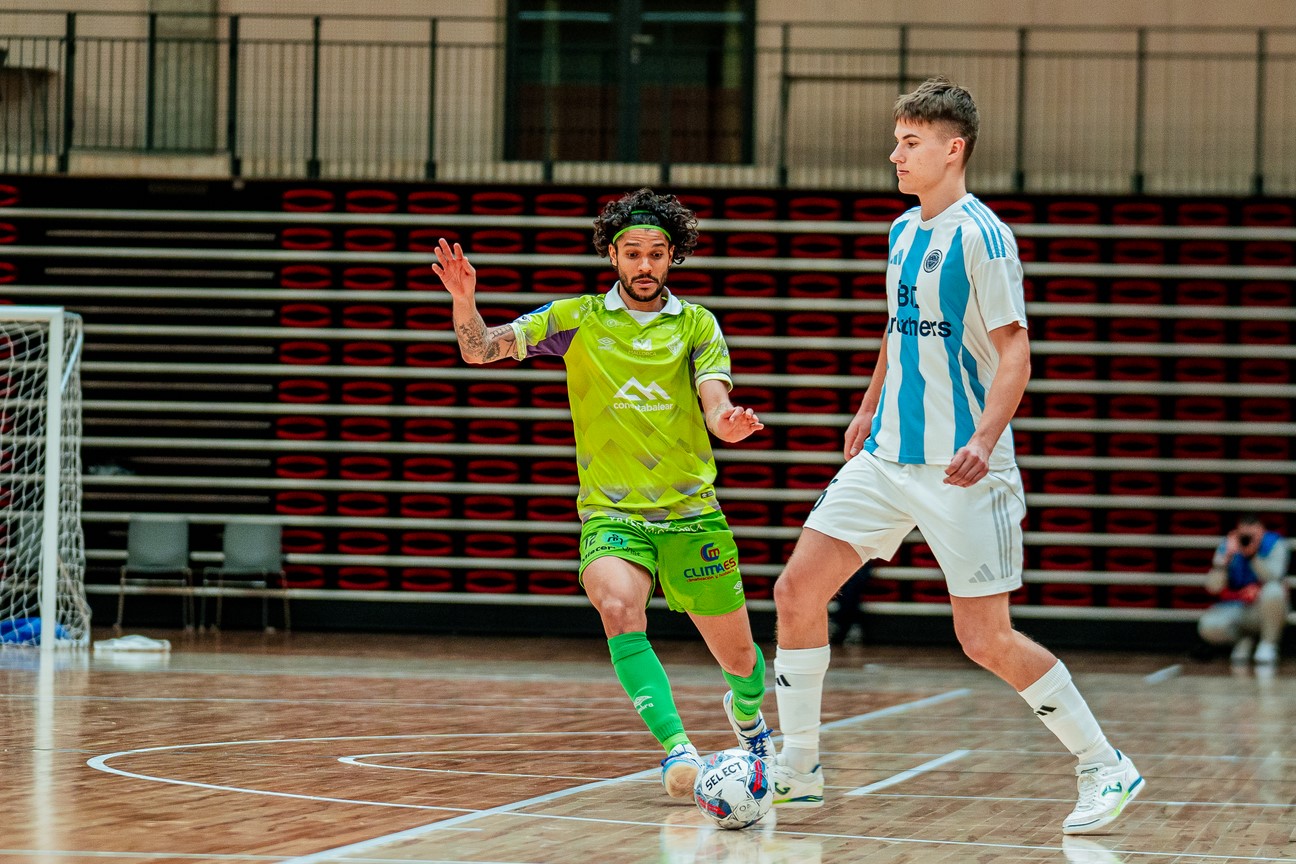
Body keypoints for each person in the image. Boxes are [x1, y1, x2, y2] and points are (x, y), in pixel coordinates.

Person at [768, 77, 1144, 834]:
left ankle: (1105, 765)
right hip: (886, 457)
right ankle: (798, 770)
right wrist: (868, 406)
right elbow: (896, 328)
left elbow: (1016, 353)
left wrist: (983, 439)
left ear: (953, 149)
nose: (895, 156)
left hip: (962, 467)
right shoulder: (901, 231)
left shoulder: (984, 238)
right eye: (897, 141)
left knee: (984, 639)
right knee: (796, 592)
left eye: (910, 143)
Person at [431, 187, 774, 799]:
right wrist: (465, 301)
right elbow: (480, 350)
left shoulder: (697, 324)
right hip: (612, 513)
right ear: (612, 255)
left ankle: (748, 718)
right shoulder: (576, 319)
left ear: (673, 257)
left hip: (691, 514)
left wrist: (730, 424)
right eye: (633, 253)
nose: (644, 265)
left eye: (656, 254)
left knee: (742, 662)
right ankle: (678, 749)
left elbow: (716, 403)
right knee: (617, 607)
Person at [1198, 514, 1289, 665]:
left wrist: (1252, 556)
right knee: (1207, 626)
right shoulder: (1228, 546)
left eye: (1253, 535)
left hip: (1262, 608)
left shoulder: (1275, 544)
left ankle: (1269, 644)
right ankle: (1242, 640)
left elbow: (1274, 578)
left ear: (1262, 531)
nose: (1248, 539)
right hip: (1237, 607)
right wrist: (1224, 560)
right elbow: (1213, 587)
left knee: (1274, 590)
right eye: (1245, 535)